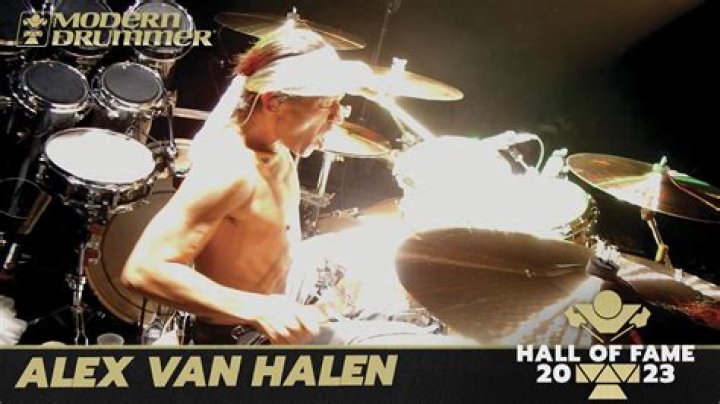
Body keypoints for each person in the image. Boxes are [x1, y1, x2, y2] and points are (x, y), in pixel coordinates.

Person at [122, 26, 364, 345]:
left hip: (279, 295)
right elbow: (143, 270)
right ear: (274, 102)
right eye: (326, 104)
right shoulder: (230, 168)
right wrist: (260, 309)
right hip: (234, 339)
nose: (337, 117)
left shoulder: (273, 143)